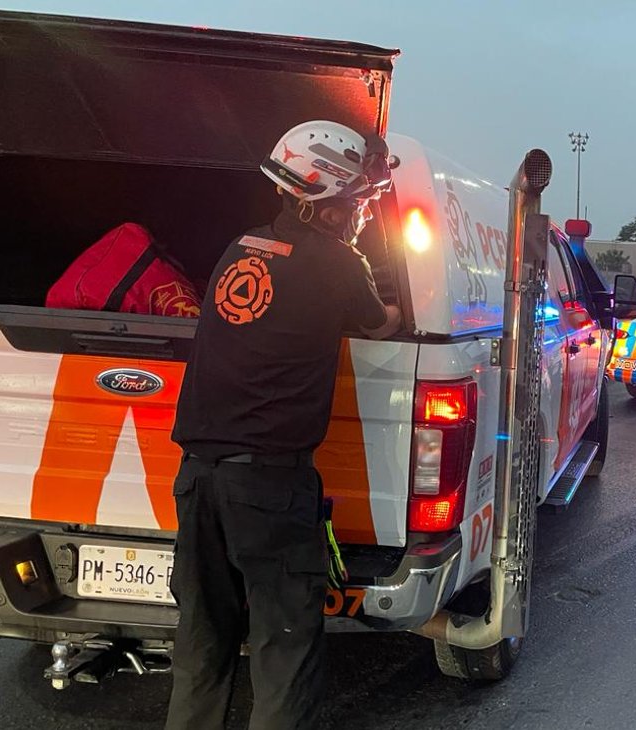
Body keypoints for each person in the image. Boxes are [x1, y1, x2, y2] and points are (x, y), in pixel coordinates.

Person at [166, 120, 403, 730]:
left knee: (201, 642)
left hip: (197, 483)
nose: (362, 215)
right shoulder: (337, 263)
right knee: (284, 646)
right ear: (321, 199)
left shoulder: (241, 245)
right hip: (269, 488)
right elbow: (378, 324)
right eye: (358, 202)